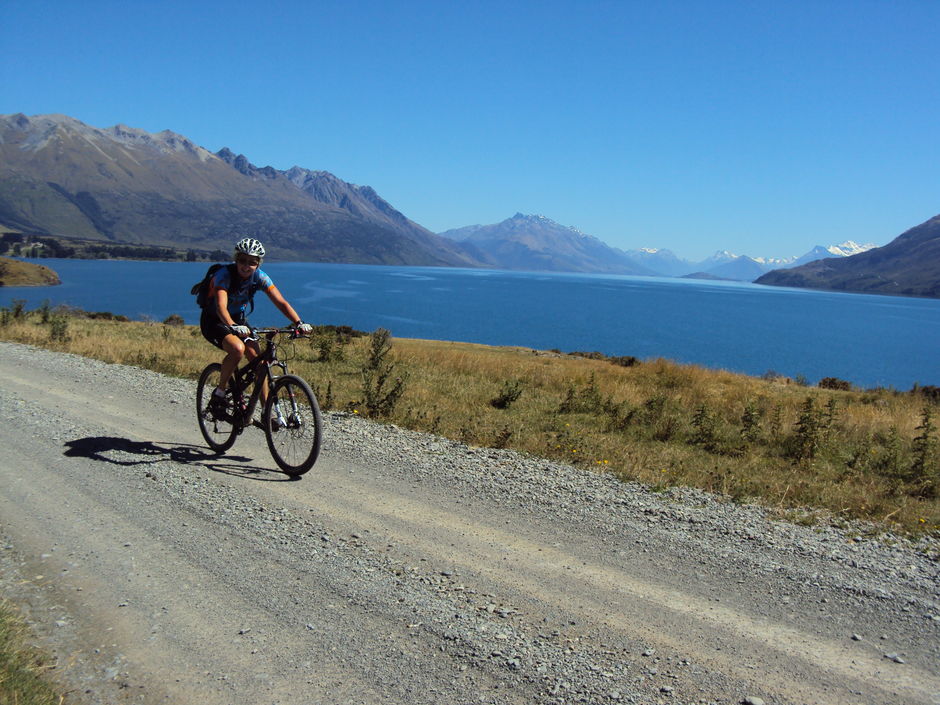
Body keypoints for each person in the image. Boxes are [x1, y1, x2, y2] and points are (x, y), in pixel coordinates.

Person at [200, 237, 312, 415]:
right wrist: (232, 325)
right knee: (237, 349)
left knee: (259, 364)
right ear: (236, 260)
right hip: (215, 321)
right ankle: (220, 392)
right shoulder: (224, 275)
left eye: (252, 262)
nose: (246, 266)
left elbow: (281, 302)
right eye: (242, 261)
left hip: (238, 321)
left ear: (258, 264)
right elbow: (221, 307)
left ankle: (266, 412)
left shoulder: (260, 277)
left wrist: (299, 322)